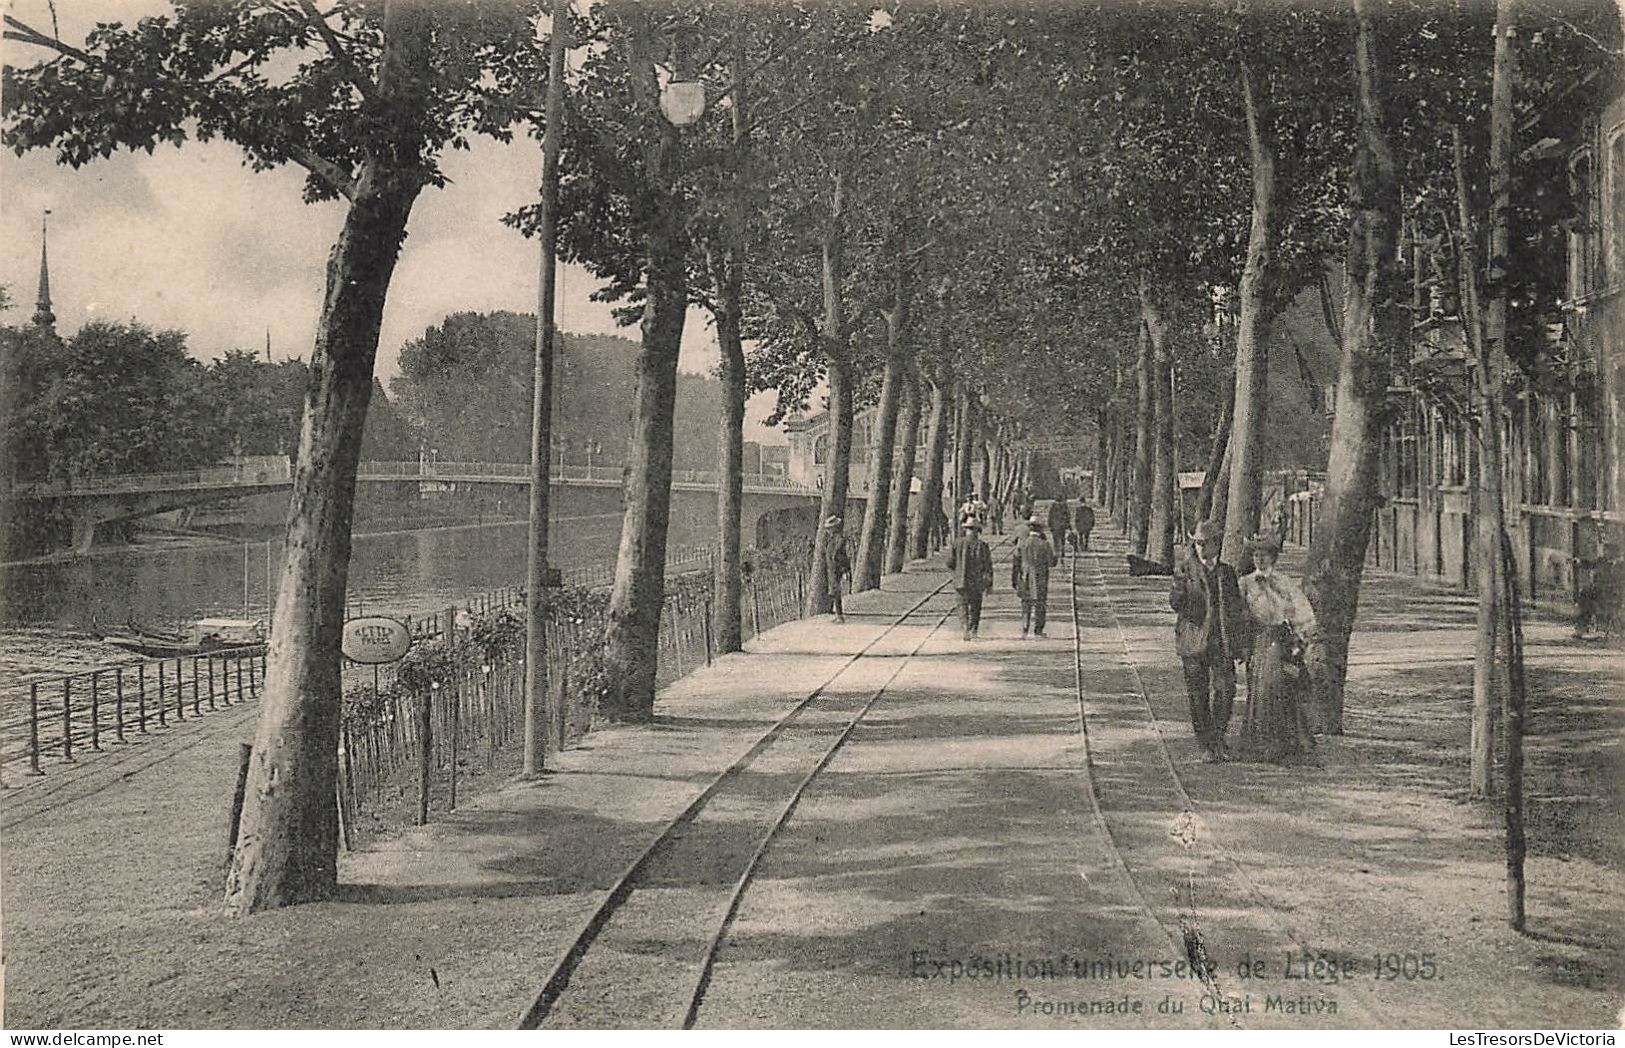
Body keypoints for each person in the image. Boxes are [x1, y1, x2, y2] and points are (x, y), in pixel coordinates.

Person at [1170, 519, 1250, 762]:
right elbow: (1175, 604)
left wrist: (1241, 643)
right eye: (1198, 544)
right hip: (1194, 640)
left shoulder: (1226, 572)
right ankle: (1206, 743)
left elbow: (1236, 610)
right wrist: (1179, 590)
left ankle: (1218, 738)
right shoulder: (1185, 570)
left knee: (1226, 690)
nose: (1203, 549)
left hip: (1221, 641)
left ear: (1217, 544)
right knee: (1198, 695)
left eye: (1207, 543)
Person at [1238, 532, 1318, 764]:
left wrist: (1300, 641)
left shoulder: (1285, 583)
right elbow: (1239, 615)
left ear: (1273, 557)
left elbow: (1301, 612)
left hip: (1281, 640)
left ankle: (1283, 742)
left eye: (1264, 555)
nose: (1259, 560)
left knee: (1280, 686)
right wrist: (1243, 644)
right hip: (1258, 640)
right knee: (1259, 688)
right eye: (1255, 555)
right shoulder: (1245, 584)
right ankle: (1258, 742)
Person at [947, 518, 994, 639]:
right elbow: (988, 566)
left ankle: (964, 627)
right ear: (978, 531)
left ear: (965, 530)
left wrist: (956, 571)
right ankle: (973, 629)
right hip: (976, 581)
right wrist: (989, 584)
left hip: (960, 580)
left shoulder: (957, 543)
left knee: (962, 605)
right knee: (975, 606)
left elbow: (950, 562)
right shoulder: (982, 545)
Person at [1013, 516, 1058, 637]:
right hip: (1040, 577)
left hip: (1025, 576)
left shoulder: (1023, 544)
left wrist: (1015, 578)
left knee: (1025, 603)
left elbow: (1016, 561)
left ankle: (1025, 627)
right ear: (1040, 530)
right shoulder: (1044, 544)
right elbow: (1051, 562)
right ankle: (1038, 630)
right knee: (1040, 603)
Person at [1574, 540, 1622, 639]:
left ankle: (1600, 627)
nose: (1605, 552)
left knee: (1591, 599)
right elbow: (1589, 564)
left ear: (1614, 552)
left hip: (1612, 595)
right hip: (1598, 593)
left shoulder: (1620, 565)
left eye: (1607, 550)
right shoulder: (1601, 561)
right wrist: (1579, 562)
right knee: (1585, 600)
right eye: (1604, 550)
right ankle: (1581, 628)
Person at [820, 515, 851, 624]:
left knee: (835, 592)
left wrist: (844, 570)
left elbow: (840, 556)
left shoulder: (839, 540)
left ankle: (840, 615)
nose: (828, 530)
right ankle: (838, 614)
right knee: (834, 592)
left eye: (829, 528)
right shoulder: (833, 539)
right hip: (832, 568)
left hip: (837, 569)